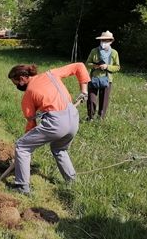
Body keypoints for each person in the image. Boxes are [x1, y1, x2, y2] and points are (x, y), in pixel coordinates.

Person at [7, 63, 90, 195]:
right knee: (59, 149)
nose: (17, 86)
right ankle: (72, 181)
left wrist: (25, 148)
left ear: (22, 79)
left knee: (22, 146)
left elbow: (31, 123)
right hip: (73, 117)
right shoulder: (51, 74)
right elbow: (79, 66)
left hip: (57, 122)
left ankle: (22, 187)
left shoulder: (28, 94)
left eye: (15, 83)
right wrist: (84, 90)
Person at [85, 30, 121, 120]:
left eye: (106, 40)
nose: (104, 42)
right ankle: (90, 118)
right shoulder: (94, 51)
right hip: (93, 78)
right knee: (91, 99)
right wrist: (95, 65)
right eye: (102, 40)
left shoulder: (114, 53)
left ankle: (101, 118)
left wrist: (107, 66)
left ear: (111, 41)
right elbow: (87, 64)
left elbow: (117, 67)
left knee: (104, 100)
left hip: (107, 80)